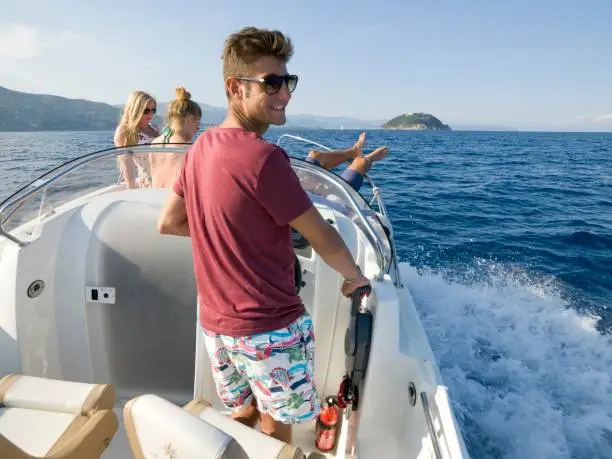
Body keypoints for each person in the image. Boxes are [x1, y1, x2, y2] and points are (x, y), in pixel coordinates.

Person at [157, 26, 371, 443]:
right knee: (276, 429)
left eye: (288, 81)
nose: (286, 94)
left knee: (245, 412)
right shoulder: (265, 158)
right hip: (268, 328)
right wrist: (353, 276)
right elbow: (321, 235)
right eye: (272, 83)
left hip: (217, 326)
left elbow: (170, 222)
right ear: (235, 88)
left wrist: (231, 238)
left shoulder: (199, 148)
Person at [150, 87, 202, 188]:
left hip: (156, 197)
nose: (197, 130)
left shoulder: (155, 143)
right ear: (189, 120)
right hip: (177, 201)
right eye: (197, 125)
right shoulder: (189, 149)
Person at [305, 132, 389, 191]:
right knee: (361, 163)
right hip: (311, 198)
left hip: (299, 184)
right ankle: (366, 159)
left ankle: (354, 151)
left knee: (314, 155)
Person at [114, 90, 160, 188]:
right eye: (146, 111)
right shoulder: (124, 131)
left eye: (153, 110)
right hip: (148, 184)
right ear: (135, 109)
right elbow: (127, 164)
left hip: (165, 179)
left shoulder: (155, 128)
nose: (150, 114)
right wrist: (131, 189)